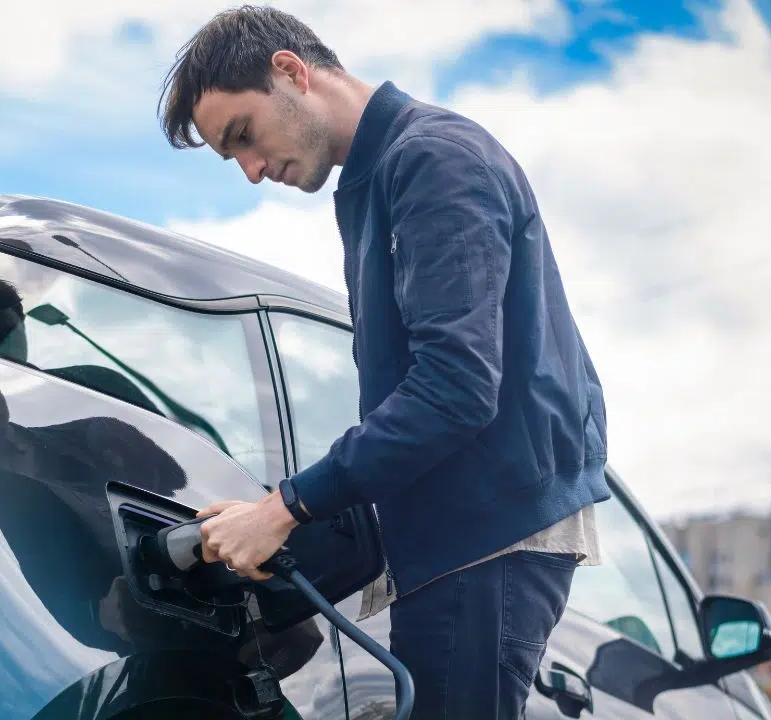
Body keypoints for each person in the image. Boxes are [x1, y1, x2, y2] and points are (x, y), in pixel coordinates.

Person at [157, 6, 612, 718]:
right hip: (460, 529)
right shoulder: (384, 177)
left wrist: (286, 506)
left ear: (290, 71)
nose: (249, 171)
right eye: (230, 157)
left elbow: (456, 389)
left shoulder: (435, 160)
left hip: (486, 531)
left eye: (243, 135)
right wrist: (275, 518)